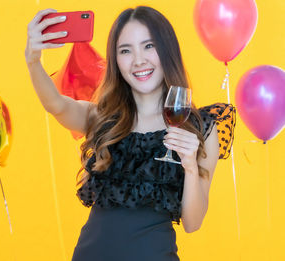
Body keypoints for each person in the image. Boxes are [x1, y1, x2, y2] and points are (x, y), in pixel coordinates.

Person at [25, 5, 236, 261]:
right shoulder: (103, 118)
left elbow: (193, 223)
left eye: (149, 46)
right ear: (116, 61)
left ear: (167, 51)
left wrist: (190, 167)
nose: (138, 60)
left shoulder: (199, 127)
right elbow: (56, 105)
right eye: (126, 50)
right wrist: (34, 61)